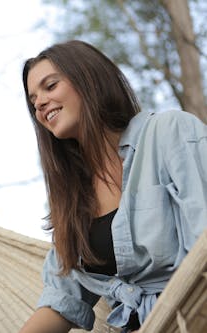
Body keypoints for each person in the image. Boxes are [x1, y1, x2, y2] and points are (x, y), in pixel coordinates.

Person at [18, 40, 207, 333]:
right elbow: (61, 301)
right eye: (33, 101)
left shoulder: (169, 132)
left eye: (50, 86)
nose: (40, 103)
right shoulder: (72, 201)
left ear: (88, 79)